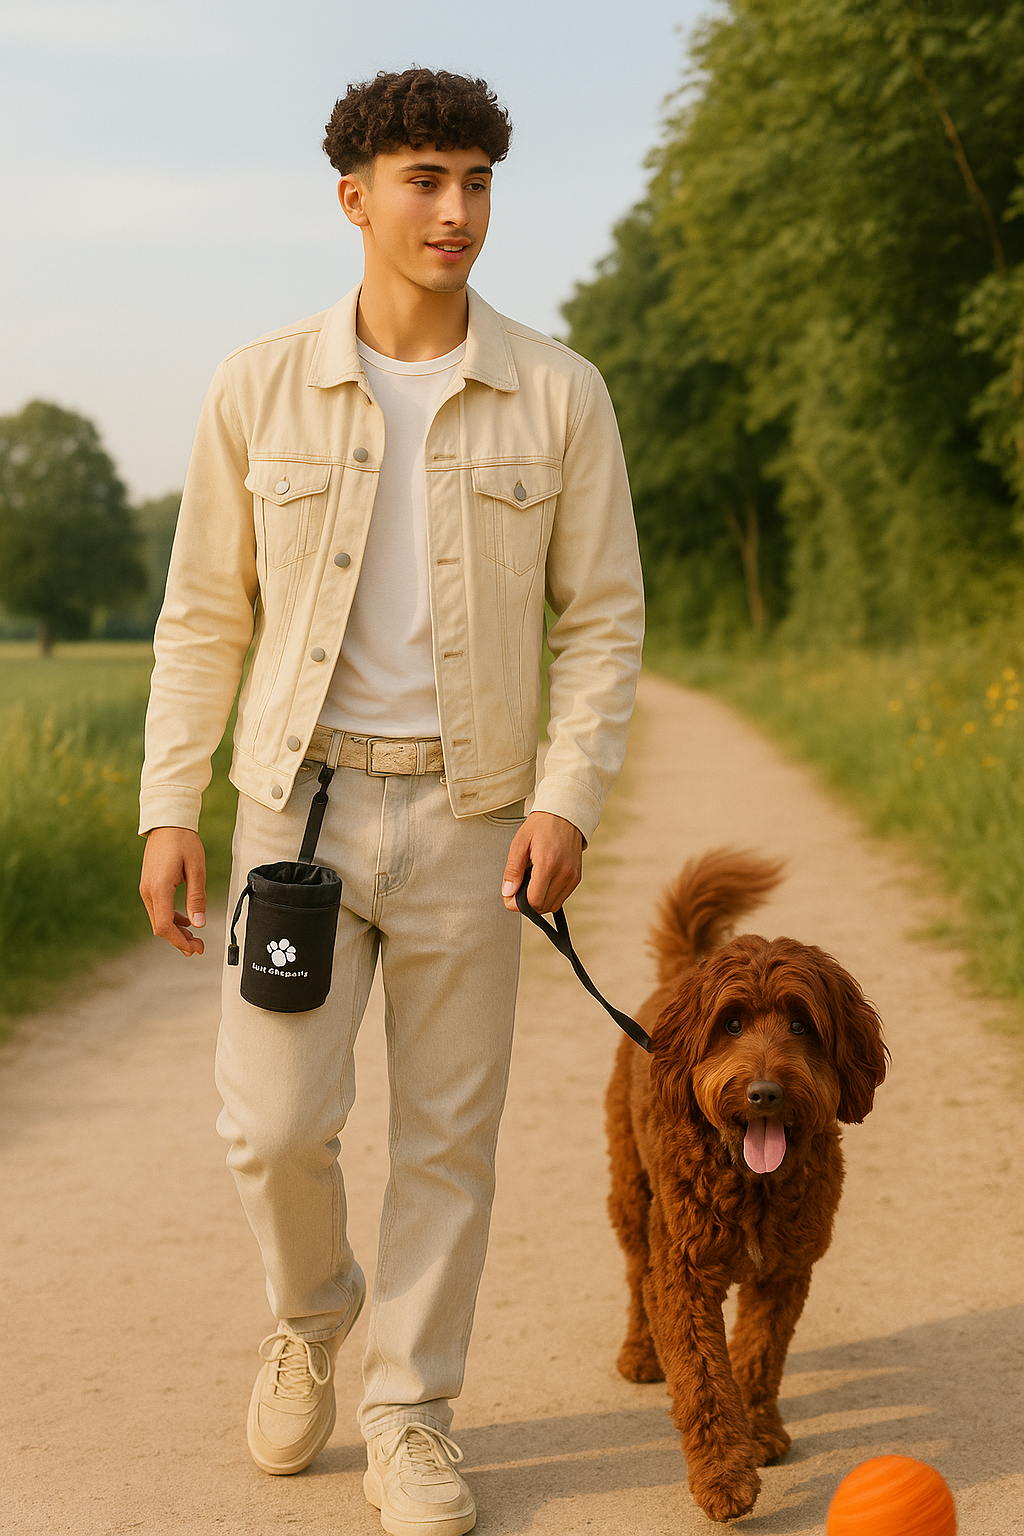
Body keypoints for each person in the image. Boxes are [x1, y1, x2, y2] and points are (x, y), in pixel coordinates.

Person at [139, 68, 643, 1536]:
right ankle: (312, 1314)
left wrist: (568, 798)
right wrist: (170, 803)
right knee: (272, 1126)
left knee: (447, 1143)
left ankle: (412, 1415)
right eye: (426, 179)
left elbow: (603, 619)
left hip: (477, 819)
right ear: (353, 197)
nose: (457, 210)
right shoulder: (258, 386)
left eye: (478, 180)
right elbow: (202, 614)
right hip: (293, 817)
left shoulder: (560, 393)